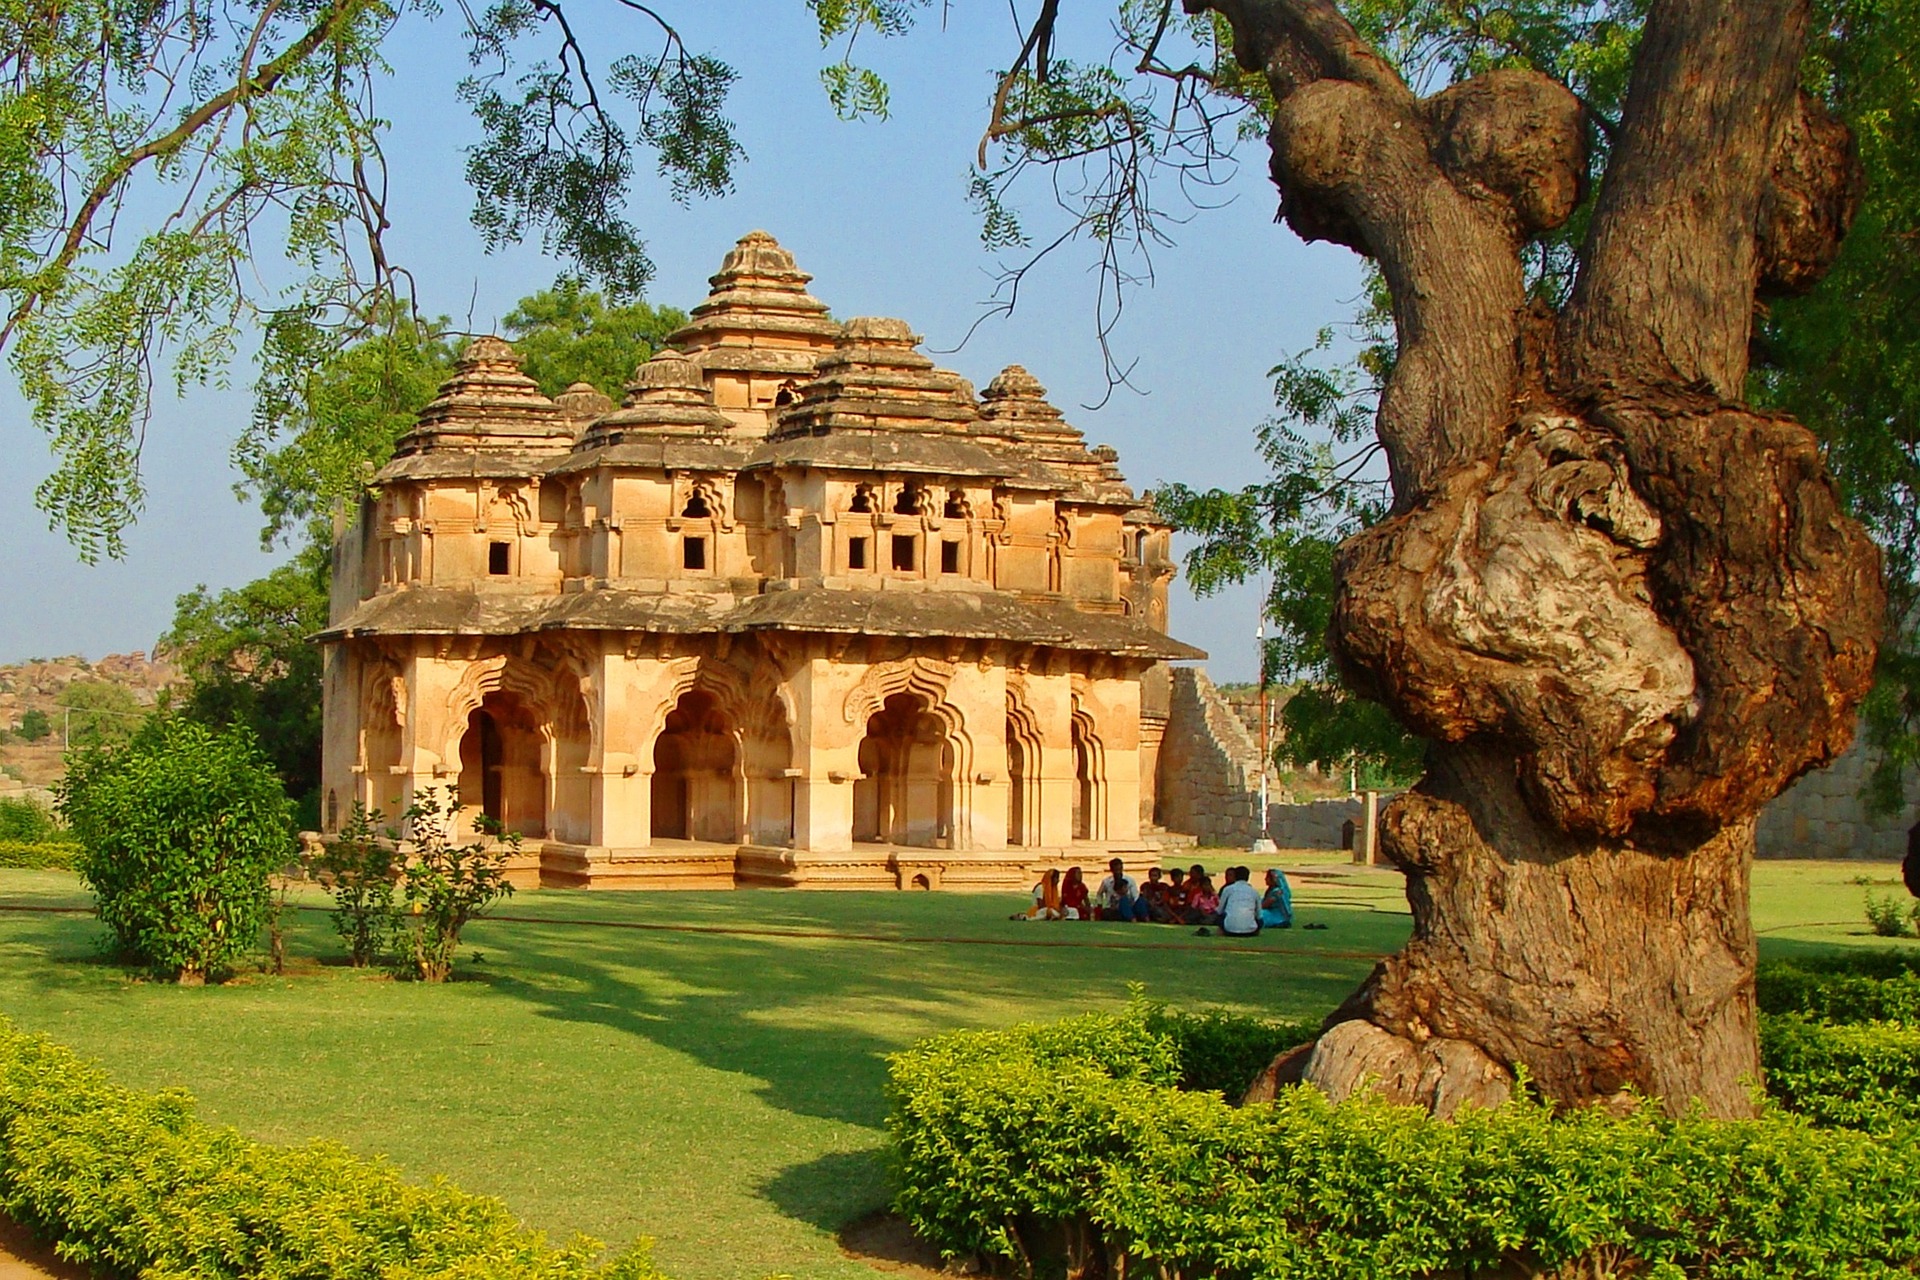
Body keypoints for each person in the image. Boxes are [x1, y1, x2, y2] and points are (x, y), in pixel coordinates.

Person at [1094, 857, 1151, 922]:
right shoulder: (1106, 881)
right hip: (1114, 908)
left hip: (1130, 906)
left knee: (1139, 901)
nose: (1118, 872)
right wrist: (1100, 904)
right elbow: (1099, 893)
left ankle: (1142, 918)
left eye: (1120, 869)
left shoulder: (1130, 880)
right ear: (1111, 870)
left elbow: (1135, 897)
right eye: (1116, 870)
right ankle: (1131, 918)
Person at [1219, 865, 1261, 937]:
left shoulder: (1228, 889)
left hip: (1229, 929)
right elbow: (1259, 915)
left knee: (1220, 916)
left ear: (1235, 876)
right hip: (1250, 931)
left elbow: (1219, 910)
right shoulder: (1254, 892)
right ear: (1248, 877)